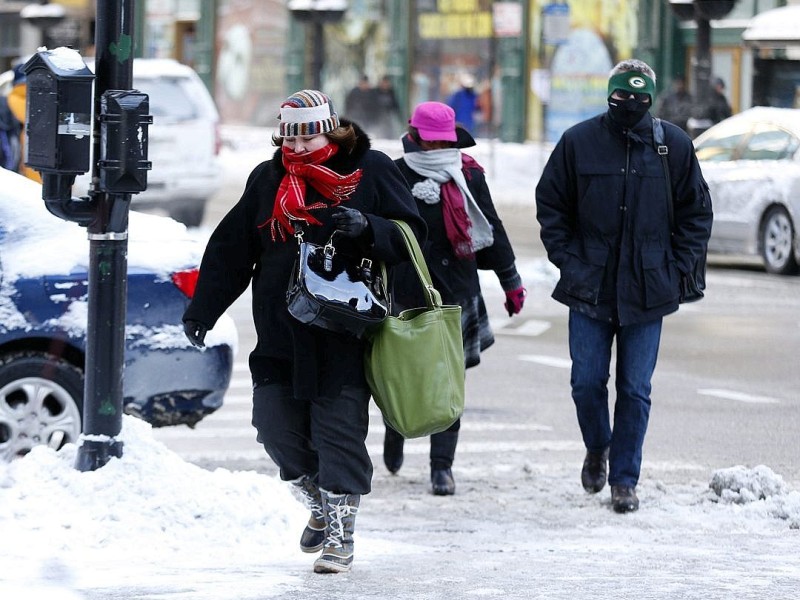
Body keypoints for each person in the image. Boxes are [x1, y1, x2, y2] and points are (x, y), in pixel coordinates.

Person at [182, 89, 425, 573]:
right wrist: (202, 311)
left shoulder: (371, 169)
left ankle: (340, 533)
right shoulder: (268, 178)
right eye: (286, 140)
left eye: (303, 139)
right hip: (278, 332)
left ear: (328, 131)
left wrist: (368, 226)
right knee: (273, 428)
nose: (292, 149)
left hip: (344, 332)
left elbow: (412, 234)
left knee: (338, 433)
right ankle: (316, 501)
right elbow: (232, 248)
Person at [535, 59, 713, 513]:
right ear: (608, 96)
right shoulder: (579, 142)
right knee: (586, 383)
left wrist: (675, 268)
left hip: (649, 288)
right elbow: (551, 205)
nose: (630, 106)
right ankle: (598, 446)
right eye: (621, 98)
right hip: (588, 285)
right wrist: (568, 260)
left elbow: (696, 214)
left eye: (639, 99)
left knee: (635, 389)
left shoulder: (672, 146)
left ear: (651, 99)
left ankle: (625, 480)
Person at [383, 101, 526, 495]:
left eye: (442, 143)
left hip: (457, 294)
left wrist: (510, 281)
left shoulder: (468, 174)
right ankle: (394, 429)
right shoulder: (394, 173)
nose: (436, 149)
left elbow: (490, 225)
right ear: (415, 139)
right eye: (430, 143)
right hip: (405, 293)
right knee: (402, 375)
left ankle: (441, 467)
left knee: (449, 382)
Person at [373, 75, 401, 139]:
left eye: (386, 83)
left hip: (389, 116)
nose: (385, 85)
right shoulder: (375, 92)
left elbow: (395, 104)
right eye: (383, 83)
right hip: (378, 116)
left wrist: (397, 113)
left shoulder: (391, 92)